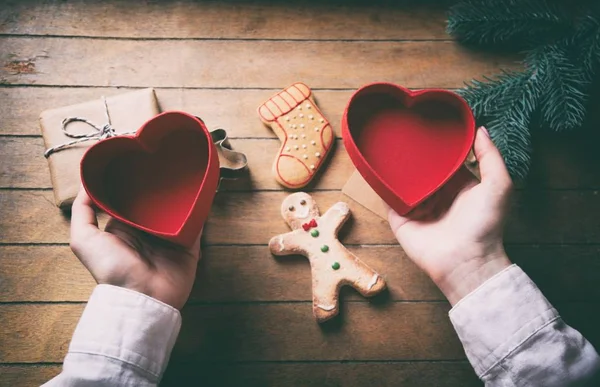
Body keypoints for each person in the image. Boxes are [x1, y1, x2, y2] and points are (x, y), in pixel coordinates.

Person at [44, 127, 600, 386]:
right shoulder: (297, 235)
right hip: (334, 270)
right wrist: (474, 267)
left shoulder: (330, 219)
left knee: (353, 274)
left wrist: (135, 302)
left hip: (350, 261)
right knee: (335, 281)